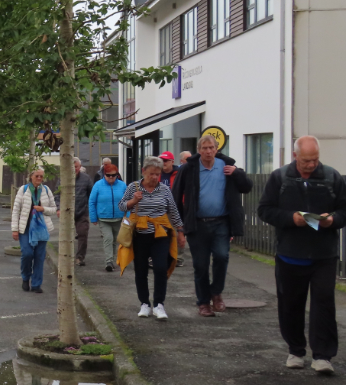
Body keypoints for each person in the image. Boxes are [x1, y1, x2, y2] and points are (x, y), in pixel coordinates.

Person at [258, 136, 346, 375]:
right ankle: (296, 350)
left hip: (324, 254)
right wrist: (291, 219)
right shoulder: (280, 178)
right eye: (307, 160)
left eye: (315, 159)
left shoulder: (332, 177)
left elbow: (344, 209)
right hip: (290, 253)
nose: (311, 164)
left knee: (324, 303)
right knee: (290, 305)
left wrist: (332, 220)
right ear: (296, 156)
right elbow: (264, 210)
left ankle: (323, 356)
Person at [171, 134, 252, 318]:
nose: (208, 151)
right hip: (197, 224)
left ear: (217, 149)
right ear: (199, 150)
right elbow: (176, 197)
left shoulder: (226, 167)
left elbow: (247, 187)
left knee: (222, 257)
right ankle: (203, 302)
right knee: (200, 265)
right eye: (204, 148)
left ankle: (216, 293)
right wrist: (179, 227)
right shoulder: (189, 168)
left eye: (211, 148)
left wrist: (238, 173)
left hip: (221, 222)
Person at [119, 155, 185, 320]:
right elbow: (121, 206)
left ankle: (159, 304)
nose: (155, 177)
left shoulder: (164, 189)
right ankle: (144, 304)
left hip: (161, 234)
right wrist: (133, 201)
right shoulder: (133, 187)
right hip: (140, 235)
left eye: (158, 174)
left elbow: (173, 210)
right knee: (140, 270)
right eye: (152, 174)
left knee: (161, 268)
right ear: (144, 172)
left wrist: (180, 230)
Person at [11, 168, 58, 294]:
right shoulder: (23, 190)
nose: (39, 179)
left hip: (41, 228)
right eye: (37, 176)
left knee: (39, 256)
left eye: (41, 177)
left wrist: (43, 209)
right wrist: (15, 229)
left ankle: (36, 284)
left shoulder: (46, 190)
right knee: (27, 254)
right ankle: (26, 277)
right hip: (25, 228)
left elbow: (54, 209)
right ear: (31, 176)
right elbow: (16, 210)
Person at [90, 162, 128, 272]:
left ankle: (113, 260)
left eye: (113, 175)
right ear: (104, 174)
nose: (111, 177)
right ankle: (109, 261)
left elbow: (128, 201)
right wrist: (93, 217)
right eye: (108, 175)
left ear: (117, 175)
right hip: (103, 218)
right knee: (108, 239)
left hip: (119, 217)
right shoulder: (98, 185)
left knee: (115, 240)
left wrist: (128, 215)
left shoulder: (122, 185)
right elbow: (92, 202)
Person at [72, 157, 93, 267]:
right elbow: (58, 194)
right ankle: (66, 256)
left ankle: (80, 257)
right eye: (73, 167)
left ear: (80, 167)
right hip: (67, 213)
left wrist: (89, 208)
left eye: (76, 167)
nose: (74, 169)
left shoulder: (86, 179)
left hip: (82, 212)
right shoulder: (63, 178)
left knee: (83, 235)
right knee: (66, 237)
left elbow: (91, 195)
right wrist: (58, 208)